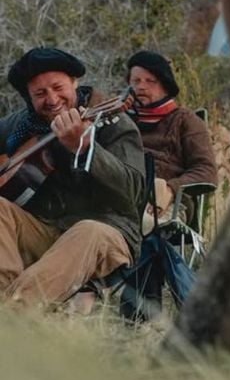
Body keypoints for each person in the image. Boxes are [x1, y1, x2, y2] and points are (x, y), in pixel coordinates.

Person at [0, 47, 145, 307]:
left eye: (58, 87)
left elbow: (133, 192)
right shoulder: (20, 125)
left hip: (106, 230)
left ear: (74, 83)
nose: (52, 99)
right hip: (46, 229)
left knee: (87, 231)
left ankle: (12, 313)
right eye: (40, 93)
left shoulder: (114, 122)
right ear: (28, 98)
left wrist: (87, 147)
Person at [126, 51, 217, 232]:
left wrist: (171, 188)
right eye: (136, 81)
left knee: (138, 225)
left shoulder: (185, 121)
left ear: (166, 86)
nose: (141, 87)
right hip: (124, 194)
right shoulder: (120, 121)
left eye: (150, 81)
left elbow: (206, 171)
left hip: (168, 203)